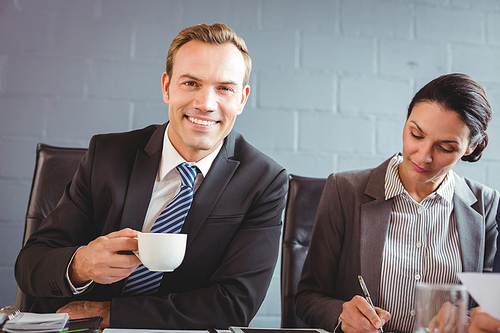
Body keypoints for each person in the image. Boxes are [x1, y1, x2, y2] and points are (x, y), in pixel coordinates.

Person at [15, 23, 287, 330]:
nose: (205, 104)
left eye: (224, 88)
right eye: (191, 83)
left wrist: (109, 313)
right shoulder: (106, 154)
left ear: (242, 98)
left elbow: (234, 304)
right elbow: (30, 264)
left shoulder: (265, 181)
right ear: (166, 87)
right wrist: (82, 264)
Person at [295, 73, 499, 333]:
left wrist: (465, 319)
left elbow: (490, 307)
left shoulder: (486, 206)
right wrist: (342, 316)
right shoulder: (344, 190)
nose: (423, 156)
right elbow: (307, 298)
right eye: (416, 134)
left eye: (446, 148)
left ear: (470, 147)